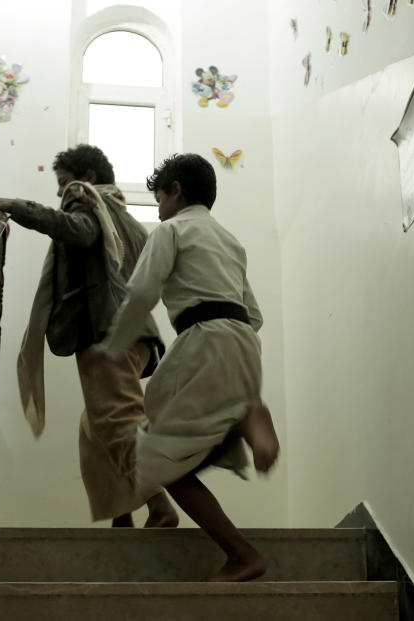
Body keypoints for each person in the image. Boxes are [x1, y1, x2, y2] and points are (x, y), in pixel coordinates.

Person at [98, 153, 280, 581]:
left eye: (159, 197)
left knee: (154, 464)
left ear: (175, 191)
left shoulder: (171, 229)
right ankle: (242, 418)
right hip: (242, 343)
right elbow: (254, 314)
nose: (159, 207)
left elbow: (142, 290)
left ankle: (242, 554)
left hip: (205, 340)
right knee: (180, 436)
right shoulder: (229, 240)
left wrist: (115, 347)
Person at [0, 144, 178, 528]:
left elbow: (81, 232)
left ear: (85, 177)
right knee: (95, 427)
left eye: (63, 182)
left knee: (117, 420)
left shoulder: (85, 200)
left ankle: (159, 506)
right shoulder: (127, 219)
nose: (60, 192)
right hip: (135, 335)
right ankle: (123, 515)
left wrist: (16, 207)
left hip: (106, 333)